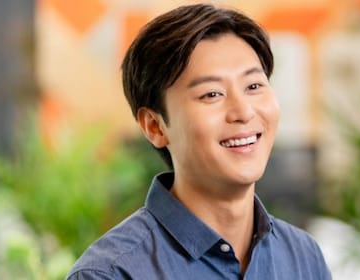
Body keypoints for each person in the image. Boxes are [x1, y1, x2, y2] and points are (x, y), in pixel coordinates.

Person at [67, 4, 330, 279]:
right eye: (212, 94)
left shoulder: (302, 257)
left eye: (253, 86)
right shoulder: (111, 273)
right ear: (155, 126)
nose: (243, 112)